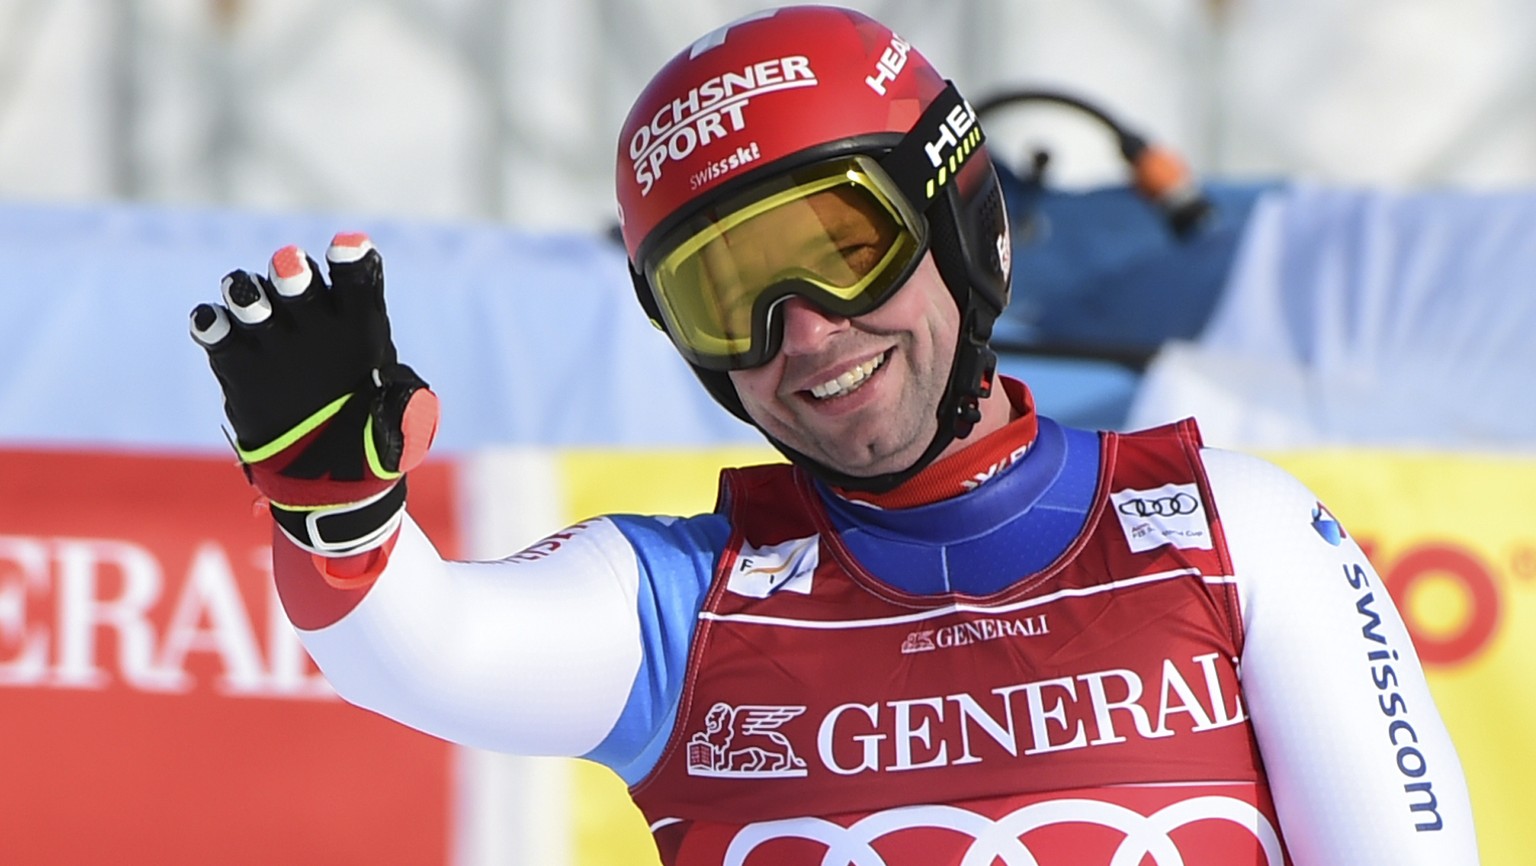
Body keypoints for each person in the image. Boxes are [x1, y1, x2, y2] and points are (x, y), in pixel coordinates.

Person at [188, 6, 1480, 865]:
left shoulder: (1228, 523)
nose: (802, 334)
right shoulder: (680, 601)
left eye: (841, 250)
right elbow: (427, 646)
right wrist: (338, 514)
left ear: (965, 226)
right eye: (725, 294)